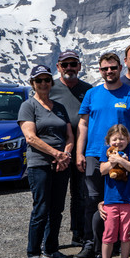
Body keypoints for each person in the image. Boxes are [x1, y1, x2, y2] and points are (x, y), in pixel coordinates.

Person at [74, 52, 130, 258]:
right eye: (105, 68)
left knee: (122, 201)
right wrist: (79, 152)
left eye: (113, 68)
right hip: (95, 154)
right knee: (93, 202)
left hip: (124, 156)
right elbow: (83, 124)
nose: (109, 71)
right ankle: (92, 245)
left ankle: (120, 243)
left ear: (119, 68)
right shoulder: (92, 94)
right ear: (100, 70)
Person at [19, 65, 74, 258]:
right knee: (41, 208)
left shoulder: (59, 107)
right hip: (40, 163)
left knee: (57, 208)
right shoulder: (28, 106)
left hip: (61, 163)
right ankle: (33, 251)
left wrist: (66, 154)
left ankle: (51, 248)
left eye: (46, 80)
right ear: (32, 83)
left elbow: (69, 135)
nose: (43, 84)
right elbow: (31, 137)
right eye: (39, 80)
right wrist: (56, 154)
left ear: (51, 82)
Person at [49, 50, 92, 246]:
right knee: (54, 197)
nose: (69, 68)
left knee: (81, 194)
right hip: (57, 152)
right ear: (58, 67)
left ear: (79, 66)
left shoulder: (88, 90)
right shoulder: (49, 88)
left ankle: (79, 233)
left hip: (81, 151)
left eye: (73, 64)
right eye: (64, 65)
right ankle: (50, 241)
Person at [97, 125, 130, 258]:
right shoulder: (106, 151)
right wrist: (114, 161)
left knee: (126, 234)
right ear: (108, 141)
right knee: (108, 233)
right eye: (114, 139)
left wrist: (121, 159)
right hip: (111, 200)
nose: (118, 141)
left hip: (129, 200)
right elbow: (102, 170)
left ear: (128, 139)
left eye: (122, 138)